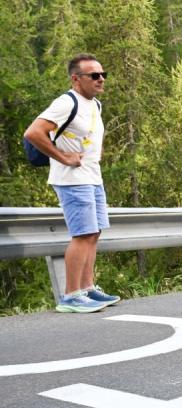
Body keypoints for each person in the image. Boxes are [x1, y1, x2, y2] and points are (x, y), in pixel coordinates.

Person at [23, 53, 120, 313]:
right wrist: (63, 157)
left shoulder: (94, 104)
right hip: (72, 180)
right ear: (76, 79)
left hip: (92, 177)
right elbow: (33, 133)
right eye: (94, 75)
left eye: (103, 74)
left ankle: (87, 288)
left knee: (94, 231)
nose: (101, 79)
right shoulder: (66, 103)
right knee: (82, 234)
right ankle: (71, 295)